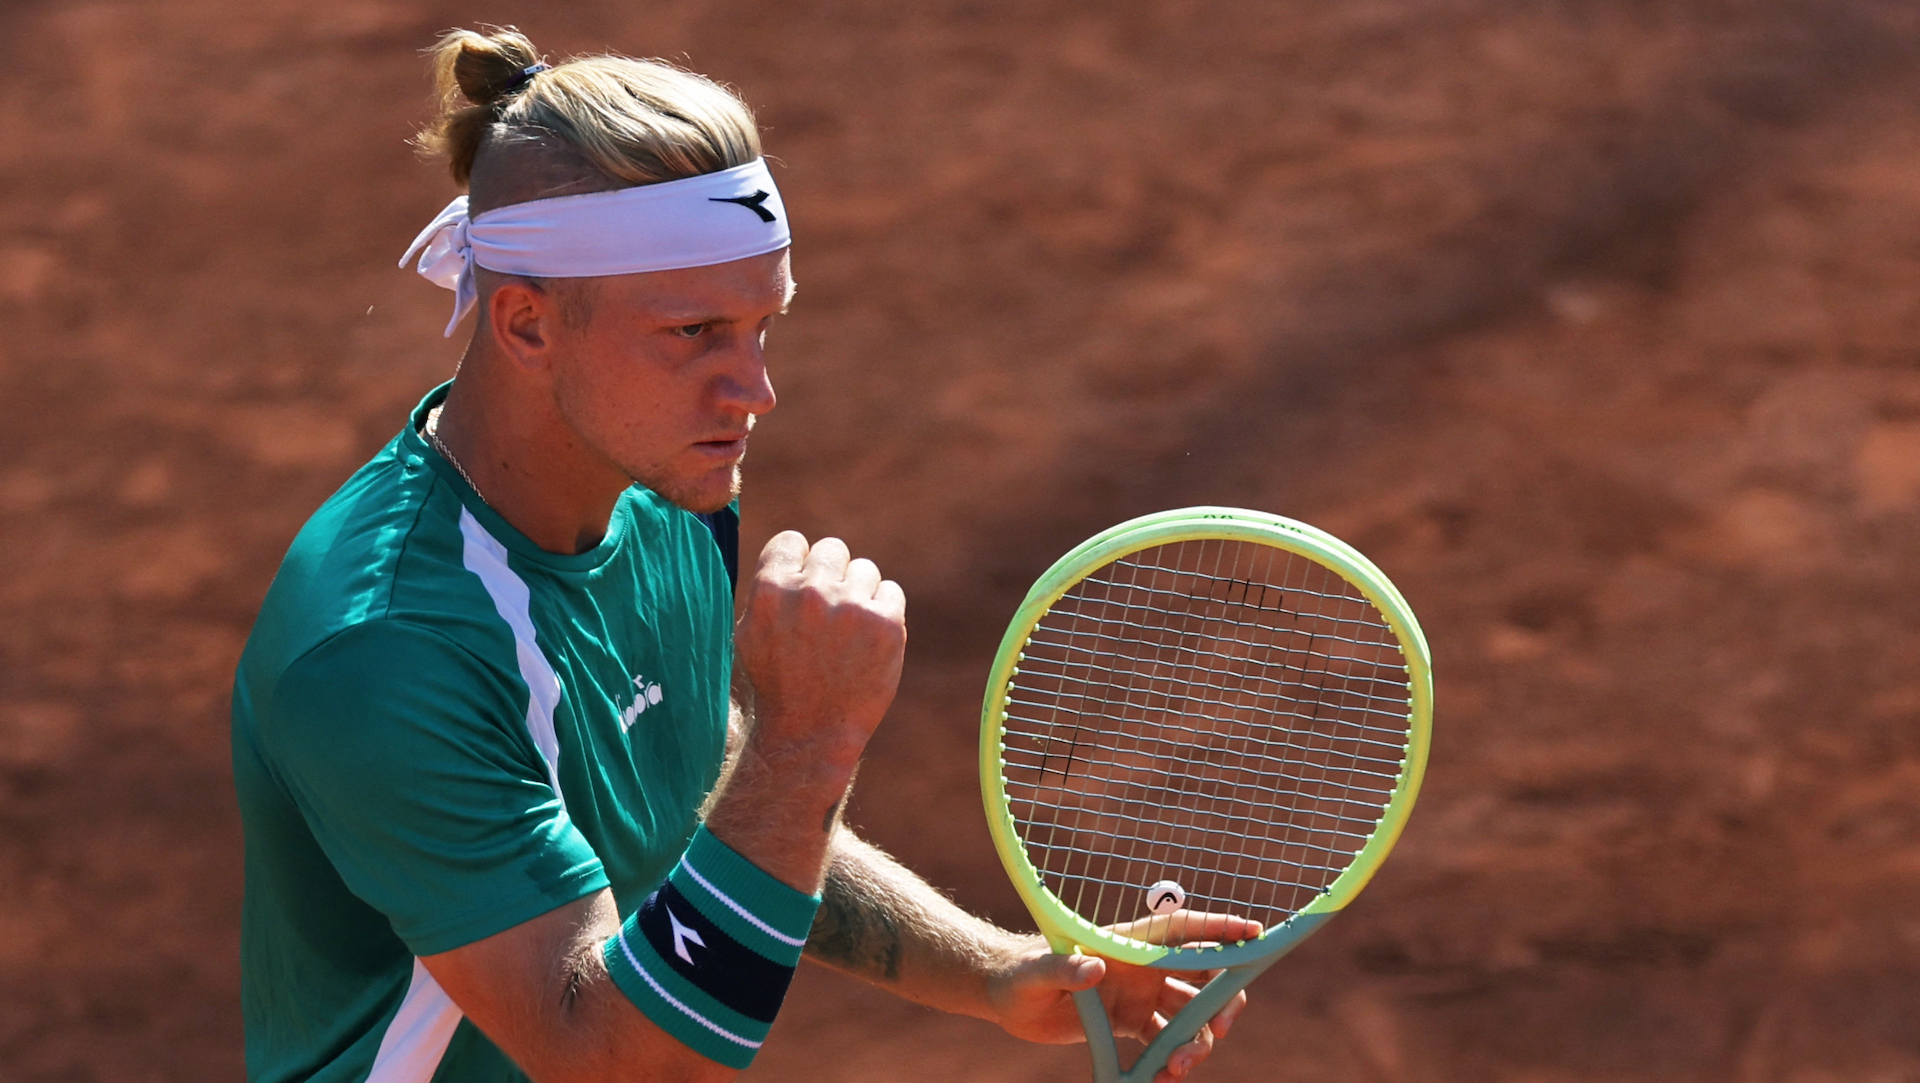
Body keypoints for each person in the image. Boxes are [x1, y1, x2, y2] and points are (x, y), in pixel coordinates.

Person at [230, 26, 1251, 1083]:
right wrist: (806, 743)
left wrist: (995, 974)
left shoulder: (661, 484)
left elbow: (685, 782)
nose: (754, 391)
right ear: (527, 324)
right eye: (694, 334)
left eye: (766, 325)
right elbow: (615, 1062)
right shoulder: (388, 655)